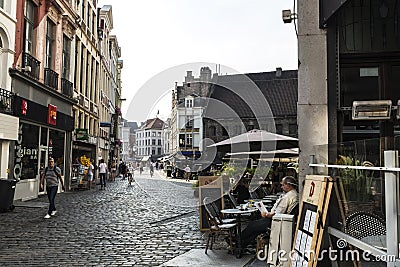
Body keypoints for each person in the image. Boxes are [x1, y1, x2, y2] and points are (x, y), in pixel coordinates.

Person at [240, 176, 298, 248]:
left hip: (277, 221)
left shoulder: (288, 197)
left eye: (283, 185)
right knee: (256, 227)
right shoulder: (294, 194)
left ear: (288, 185)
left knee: (252, 225)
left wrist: (266, 214)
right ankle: (242, 243)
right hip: (281, 220)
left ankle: (238, 241)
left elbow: (277, 213)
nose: (282, 187)